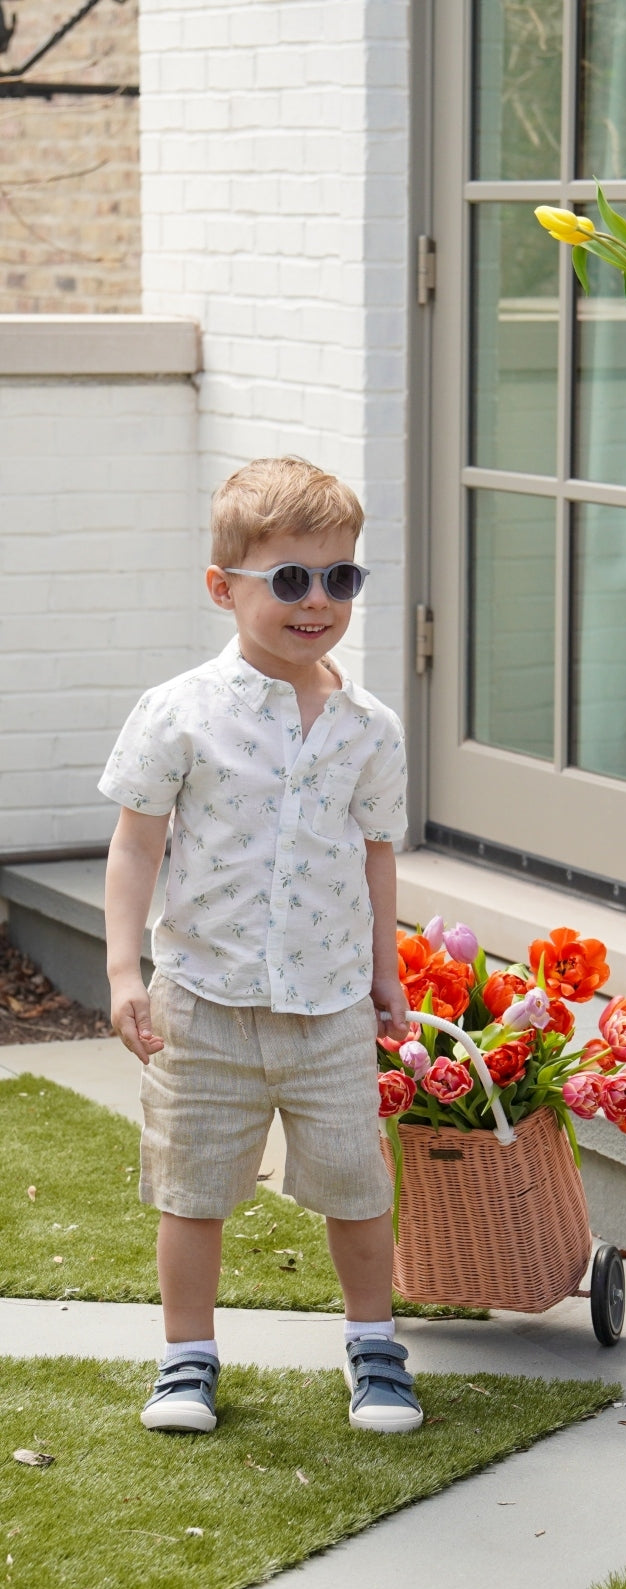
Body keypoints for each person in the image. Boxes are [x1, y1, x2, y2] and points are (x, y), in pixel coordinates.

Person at [101, 456, 422, 1434]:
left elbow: (374, 860)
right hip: (203, 999)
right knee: (192, 1190)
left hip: (327, 1005)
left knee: (356, 1188)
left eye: (340, 577)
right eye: (289, 579)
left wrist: (384, 977)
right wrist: (125, 970)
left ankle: (376, 1348)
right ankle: (186, 1360)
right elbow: (135, 845)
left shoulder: (371, 730)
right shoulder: (180, 712)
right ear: (223, 587)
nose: (316, 599)